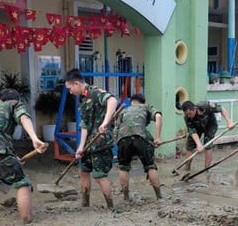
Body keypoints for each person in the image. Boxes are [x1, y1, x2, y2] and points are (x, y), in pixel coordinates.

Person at [0, 88, 48, 223]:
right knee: (22, 182)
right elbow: (24, 117)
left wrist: (13, 157)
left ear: (0, 100)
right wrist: (34, 138)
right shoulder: (14, 104)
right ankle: (27, 219)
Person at [64, 68, 119, 208]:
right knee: (84, 171)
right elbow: (84, 125)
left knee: (99, 175)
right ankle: (85, 203)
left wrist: (105, 123)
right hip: (89, 143)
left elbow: (112, 101)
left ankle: (111, 207)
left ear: (76, 84)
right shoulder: (82, 100)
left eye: (70, 88)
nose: (70, 92)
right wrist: (81, 147)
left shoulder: (95, 92)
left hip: (100, 142)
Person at [115, 93, 163, 200]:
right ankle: (159, 197)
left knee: (123, 167)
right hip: (140, 137)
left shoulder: (123, 111)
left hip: (123, 139)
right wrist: (157, 137)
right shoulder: (146, 107)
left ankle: (126, 197)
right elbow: (158, 116)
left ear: (131, 101)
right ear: (143, 102)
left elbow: (115, 133)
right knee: (150, 166)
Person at [180, 100, 234, 172]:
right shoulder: (187, 117)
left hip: (210, 125)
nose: (189, 116)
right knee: (190, 145)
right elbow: (192, 132)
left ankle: (206, 169)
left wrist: (229, 121)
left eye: (190, 114)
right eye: (187, 114)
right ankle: (187, 168)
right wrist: (198, 144)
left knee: (208, 144)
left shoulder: (205, 106)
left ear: (194, 109)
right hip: (197, 128)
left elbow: (221, 109)